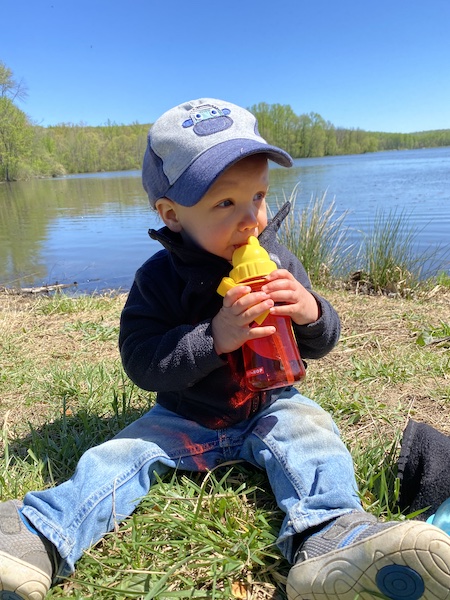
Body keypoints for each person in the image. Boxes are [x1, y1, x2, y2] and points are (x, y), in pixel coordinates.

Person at [1, 98, 449, 600]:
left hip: (272, 405)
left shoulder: (278, 260)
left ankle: (331, 538)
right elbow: (142, 361)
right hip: (186, 415)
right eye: (224, 204)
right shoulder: (158, 278)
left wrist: (311, 312)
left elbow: (322, 342)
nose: (250, 220)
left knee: (317, 437)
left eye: (258, 196)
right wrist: (214, 338)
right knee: (115, 457)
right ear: (172, 214)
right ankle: (36, 537)